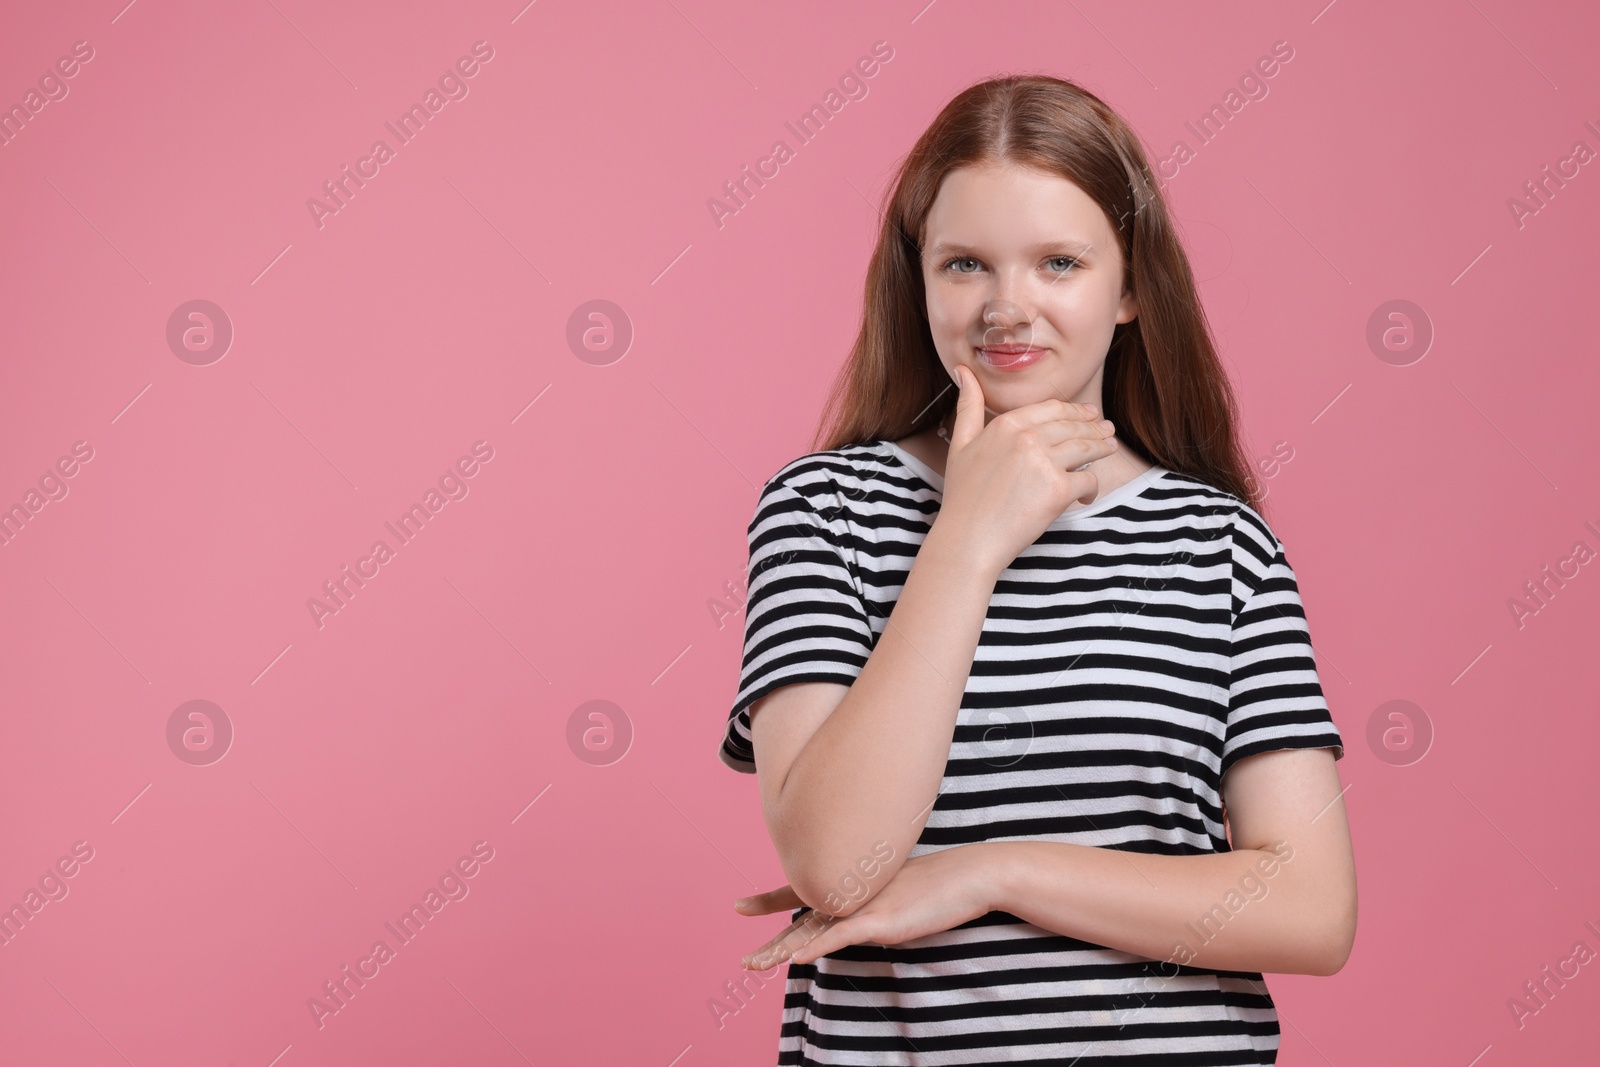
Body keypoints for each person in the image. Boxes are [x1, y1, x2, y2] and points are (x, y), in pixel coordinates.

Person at [717, 73, 1355, 1066]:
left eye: (1058, 262)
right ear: (918, 280)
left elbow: (1310, 909)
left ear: (1130, 285)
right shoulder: (823, 512)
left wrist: (996, 871)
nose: (1006, 308)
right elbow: (841, 866)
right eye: (965, 263)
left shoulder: (1221, 545)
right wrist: (967, 538)